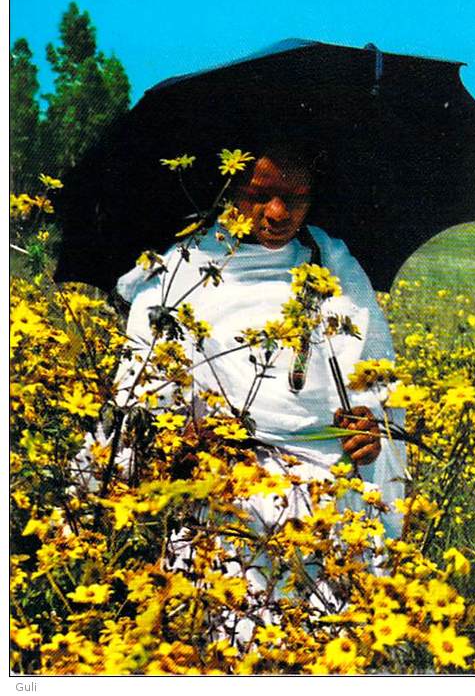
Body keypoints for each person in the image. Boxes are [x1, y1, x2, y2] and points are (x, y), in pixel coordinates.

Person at [114, 145, 406, 538]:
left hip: (326, 498)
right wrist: (186, 441)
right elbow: (144, 403)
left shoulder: (332, 263)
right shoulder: (186, 269)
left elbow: (377, 384)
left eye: (296, 199)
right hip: (220, 495)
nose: (278, 213)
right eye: (258, 196)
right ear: (229, 189)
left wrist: (370, 434)